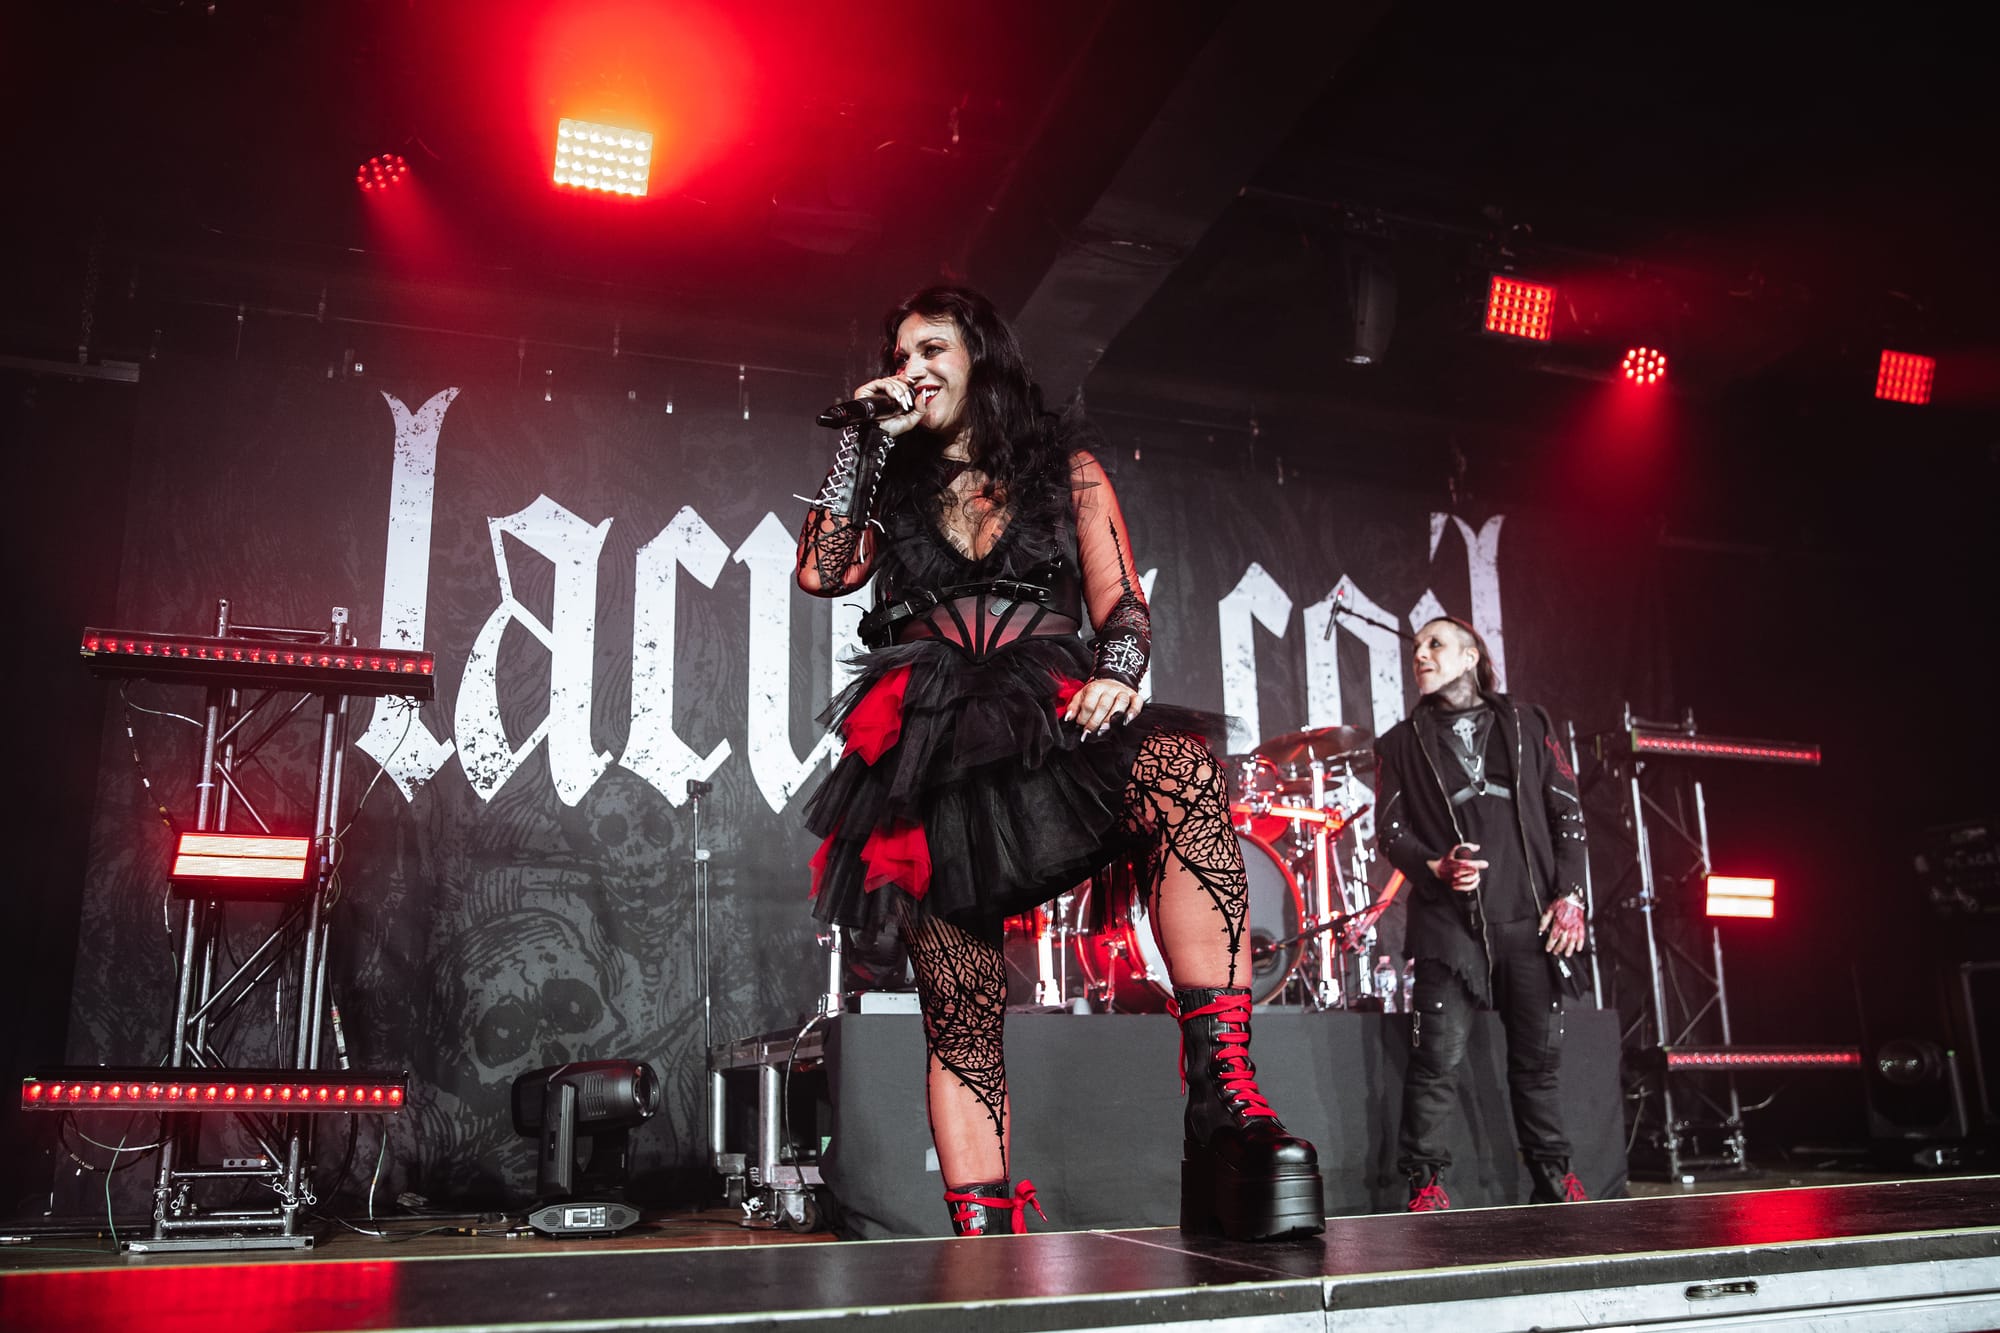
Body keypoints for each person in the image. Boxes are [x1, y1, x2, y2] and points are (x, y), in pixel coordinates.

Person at [793, 286, 1322, 1240]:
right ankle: (983, 1234)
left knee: (1178, 773)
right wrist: (864, 441)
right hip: (930, 746)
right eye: (900, 354)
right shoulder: (889, 475)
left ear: (980, 358)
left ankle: (1225, 1095)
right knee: (960, 997)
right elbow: (825, 571)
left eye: (932, 349)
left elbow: (1121, 601)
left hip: (1049, 717)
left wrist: (1118, 672)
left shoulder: (1064, 469)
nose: (913, 367)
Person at [1375, 616, 1591, 1211]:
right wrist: (1436, 866)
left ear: (1471, 657)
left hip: (1530, 919)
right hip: (1449, 928)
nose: (1421, 655)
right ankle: (1425, 1184)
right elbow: (1390, 833)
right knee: (1436, 1060)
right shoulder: (1399, 742)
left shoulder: (1527, 723)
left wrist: (1571, 896)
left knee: (1539, 1064)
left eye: (1435, 644)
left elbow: (1567, 813)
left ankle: (1555, 1180)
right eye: (1416, 649)